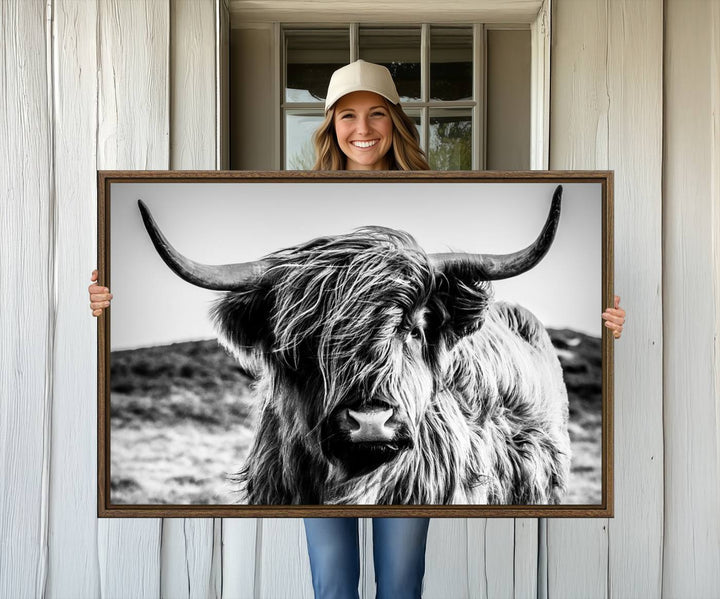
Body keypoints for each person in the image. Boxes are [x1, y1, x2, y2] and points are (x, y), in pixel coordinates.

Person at [88, 59, 627, 599]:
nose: (362, 129)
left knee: (399, 582)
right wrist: (102, 299)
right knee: (332, 583)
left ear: (396, 121)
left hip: (418, 444)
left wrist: (610, 318)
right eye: (347, 116)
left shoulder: (439, 188)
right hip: (312, 439)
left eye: (376, 115)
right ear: (330, 126)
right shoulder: (291, 190)